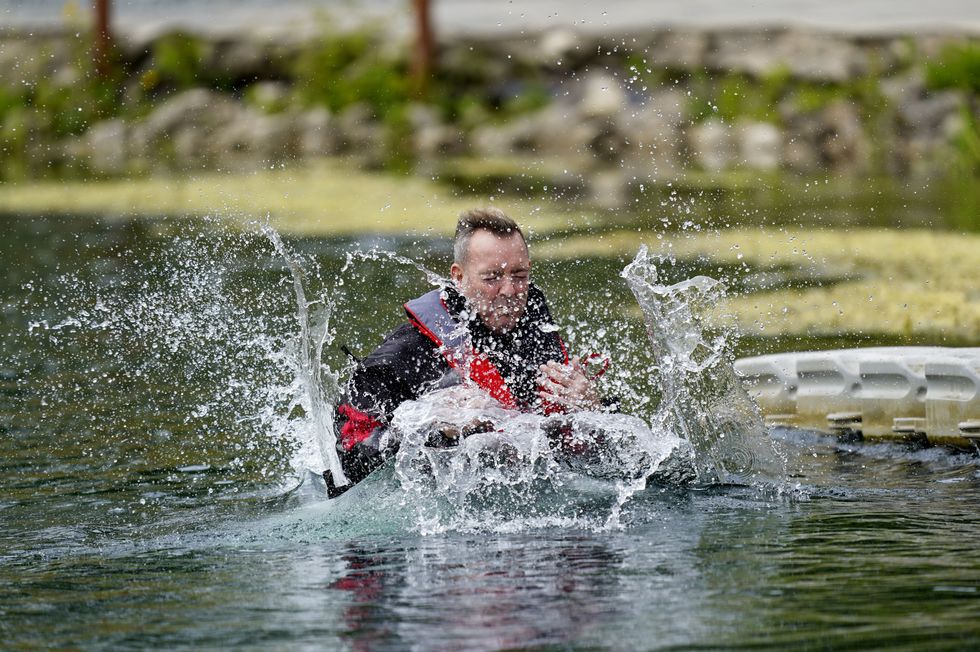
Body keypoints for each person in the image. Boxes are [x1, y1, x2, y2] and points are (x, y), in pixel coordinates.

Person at [328, 207, 607, 497]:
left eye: (519, 275)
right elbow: (350, 455)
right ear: (458, 277)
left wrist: (593, 410)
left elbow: (604, 462)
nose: (509, 291)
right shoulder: (407, 352)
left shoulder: (537, 340)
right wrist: (437, 429)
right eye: (492, 277)